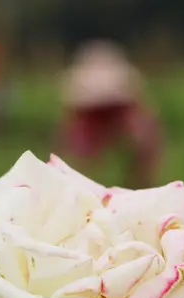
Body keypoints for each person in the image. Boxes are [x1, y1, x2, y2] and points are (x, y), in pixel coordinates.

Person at [58, 40, 163, 188]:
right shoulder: (84, 124)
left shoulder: (132, 117)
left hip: (117, 117)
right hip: (93, 122)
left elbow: (146, 140)